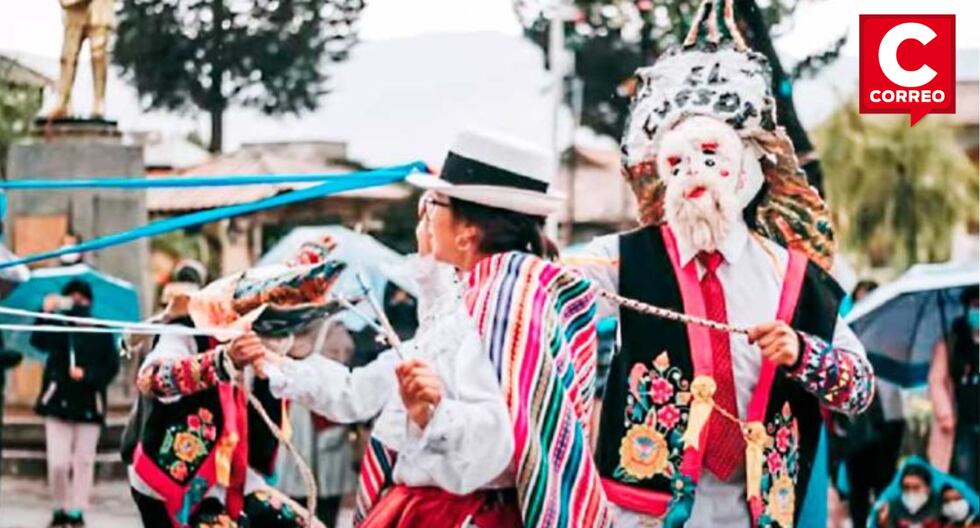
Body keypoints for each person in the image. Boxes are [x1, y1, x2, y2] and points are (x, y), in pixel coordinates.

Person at [567, 10, 874, 527]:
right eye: (678, 163)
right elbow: (546, 284)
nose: (694, 177)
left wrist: (802, 352)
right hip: (641, 513)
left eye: (711, 156)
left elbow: (860, 387)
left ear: (749, 173)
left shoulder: (793, 278)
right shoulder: (621, 258)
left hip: (754, 514)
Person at [244, 130, 611, 527]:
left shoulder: (500, 304)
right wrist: (270, 364)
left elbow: (501, 443)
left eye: (433, 202)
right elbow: (364, 390)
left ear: (468, 230)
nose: (425, 214)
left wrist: (434, 414)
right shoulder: (469, 301)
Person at [126, 257, 314, 528]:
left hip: (232, 476)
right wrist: (221, 363)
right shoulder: (181, 331)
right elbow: (152, 380)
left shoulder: (255, 337)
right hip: (173, 474)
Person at [32, 279, 120, 528]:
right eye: (71, 298)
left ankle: (77, 510)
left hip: (89, 406)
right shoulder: (58, 327)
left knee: (83, 461)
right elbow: (38, 341)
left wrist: (89, 375)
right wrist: (45, 313)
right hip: (58, 403)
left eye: (81, 298)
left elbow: (110, 367)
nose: (77, 303)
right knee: (58, 462)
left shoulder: (101, 330)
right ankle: (59, 506)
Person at [274, 318, 358, 528]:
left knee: (327, 505)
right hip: (303, 416)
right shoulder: (310, 329)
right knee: (297, 500)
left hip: (329, 421)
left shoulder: (335, 329)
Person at [928, 286, 979, 492]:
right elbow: (936, 380)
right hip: (961, 425)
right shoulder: (950, 343)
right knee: (965, 481)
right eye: (975, 305)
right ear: (966, 309)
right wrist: (945, 413)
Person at [873, 463, 942, 528]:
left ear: (928, 489)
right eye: (906, 487)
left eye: (916, 487)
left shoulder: (939, 504)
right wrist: (884, 523)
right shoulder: (891, 508)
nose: (910, 492)